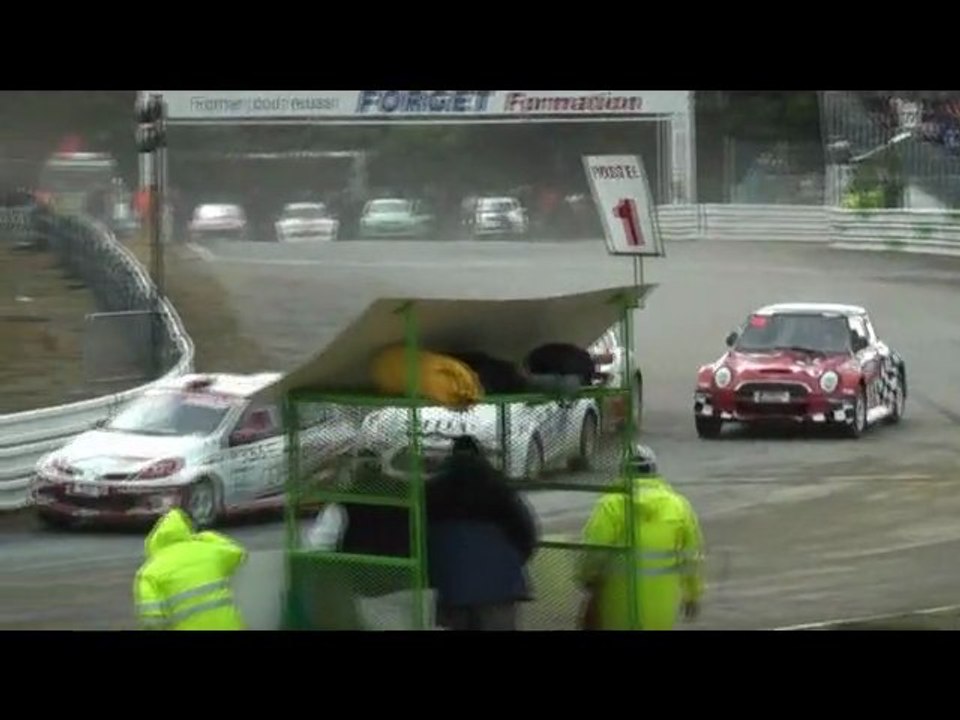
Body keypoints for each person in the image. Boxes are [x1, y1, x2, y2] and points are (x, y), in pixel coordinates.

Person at [576, 444, 704, 631]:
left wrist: (585, 577)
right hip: (662, 611)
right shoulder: (678, 506)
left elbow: (593, 552)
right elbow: (692, 557)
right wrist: (692, 594)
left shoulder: (610, 506)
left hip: (616, 607)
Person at [426, 435, 539, 631]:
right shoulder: (499, 487)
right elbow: (526, 533)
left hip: (450, 583)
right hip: (499, 585)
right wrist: (511, 562)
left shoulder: (432, 489)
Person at [133, 508, 247, 630]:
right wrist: (207, 536)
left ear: (154, 541)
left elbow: (152, 622)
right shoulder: (210, 551)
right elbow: (237, 552)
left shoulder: (148, 573)